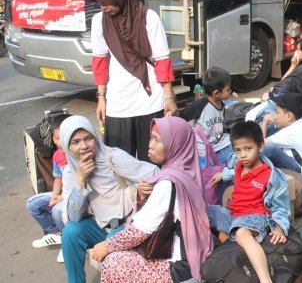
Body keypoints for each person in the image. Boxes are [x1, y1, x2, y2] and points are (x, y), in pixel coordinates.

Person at [90, 117, 213, 282]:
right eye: (151, 137)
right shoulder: (187, 172)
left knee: (114, 262)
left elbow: (139, 231)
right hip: (193, 255)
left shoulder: (168, 183)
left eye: (157, 140)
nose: (150, 144)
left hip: (178, 266)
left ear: (175, 145)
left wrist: (106, 246)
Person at [89, 0, 177, 161]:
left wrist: (169, 96)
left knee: (153, 161)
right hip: (118, 103)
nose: (102, 6)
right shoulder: (99, 22)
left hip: (151, 99)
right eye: (99, 2)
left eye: (106, 1)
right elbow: (100, 61)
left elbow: (162, 60)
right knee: (119, 163)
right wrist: (101, 97)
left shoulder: (149, 18)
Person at [59, 116, 160, 283]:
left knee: (110, 243)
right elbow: (72, 217)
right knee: (70, 233)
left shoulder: (112, 157)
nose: (84, 146)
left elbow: (154, 173)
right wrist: (80, 181)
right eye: (75, 142)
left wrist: (139, 188)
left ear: (96, 137)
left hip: (128, 224)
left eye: (88, 138)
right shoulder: (70, 173)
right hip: (100, 225)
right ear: (66, 147)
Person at [207, 121, 290, 283]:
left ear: (260, 147)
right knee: (203, 210)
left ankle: (265, 280)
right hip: (233, 215)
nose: (242, 155)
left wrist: (279, 228)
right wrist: (224, 175)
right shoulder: (239, 165)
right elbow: (233, 171)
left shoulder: (271, 176)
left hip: (256, 217)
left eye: (248, 149)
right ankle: (218, 248)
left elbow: (281, 206)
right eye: (237, 150)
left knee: (241, 233)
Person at [27, 113, 72, 263]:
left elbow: (86, 188)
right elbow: (58, 178)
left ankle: (68, 244)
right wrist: (54, 195)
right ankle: (57, 233)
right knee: (33, 204)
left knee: (57, 210)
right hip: (63, 194)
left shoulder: (82, 154)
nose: (61, 142)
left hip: (78, 198)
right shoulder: (58, 156)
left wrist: (63, 198)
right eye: (57, 138)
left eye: (64, 136)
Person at [179, 66, 234, 166]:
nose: (230, 91)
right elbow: (180, 117)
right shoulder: (200, 105)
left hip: (222, 143)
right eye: (228, 89)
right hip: (205, 151)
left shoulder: (220, 102)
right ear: (216, 93)